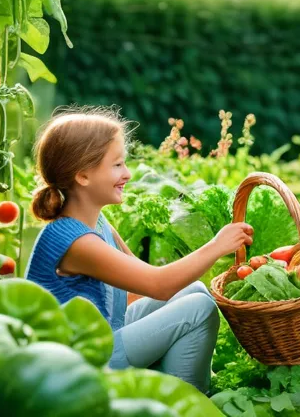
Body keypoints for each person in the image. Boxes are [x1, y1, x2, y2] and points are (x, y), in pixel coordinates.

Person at [25, 107, 253, 394]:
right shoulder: (75, 241)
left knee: (194, 291)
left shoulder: (97, 223)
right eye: (117, 165)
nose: (128, 174)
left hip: (103, 338)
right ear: (82, 176)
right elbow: (157, 285)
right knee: (199, 309)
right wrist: (217, 246)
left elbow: (141, 289)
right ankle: (187, 403)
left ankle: (166, 388)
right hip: (80, 365)